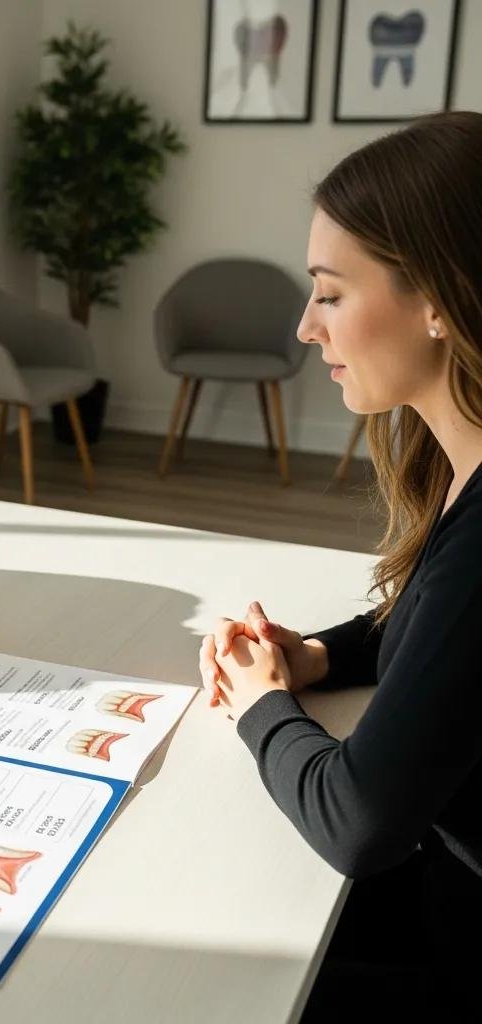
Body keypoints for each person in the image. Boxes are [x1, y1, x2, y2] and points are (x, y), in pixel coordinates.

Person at [197, 110, 482, 1018]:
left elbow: (357, 824)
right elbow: (443, 632)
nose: (305, 327)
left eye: (328, 292)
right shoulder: (460, 462)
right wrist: (314, 657)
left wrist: (259, 706)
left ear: (438, 298)